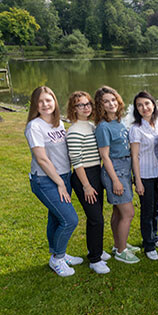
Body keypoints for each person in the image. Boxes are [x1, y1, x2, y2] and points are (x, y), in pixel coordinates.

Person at [25, 86, 82, 277]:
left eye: (48, 100)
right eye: (40, 101)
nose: (45, 104)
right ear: (35, 104)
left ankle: (60, 253)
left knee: (56, 217)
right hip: (46, 180)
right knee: (69, 220)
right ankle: (57, 259)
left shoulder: (58, 123)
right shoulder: (35, 126)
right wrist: (59, 183)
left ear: (54, 101)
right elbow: (42, 159)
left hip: (64, 176)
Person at [66, 91, 111, 274]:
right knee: (96, 219)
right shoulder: (74, 131)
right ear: (73, 109)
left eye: (88, 104)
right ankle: (95, 260)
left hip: (96, 172)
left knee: (97, 216)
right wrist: (86, 186)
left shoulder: (92, 126)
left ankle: (95, 249)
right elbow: (76, 162)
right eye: (80, 105)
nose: (85, 107)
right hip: (84, 176)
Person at [94, 85, 140, 264]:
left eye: (113, 99)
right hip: (115, 171)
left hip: (125, 167)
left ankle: (118, 244)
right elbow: (104, 156)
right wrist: (115, 181)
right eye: (106, 101)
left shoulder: (119, 122)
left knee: (118, 212)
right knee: (128, 213)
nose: (111, 103)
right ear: (100, 105)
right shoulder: (103, 127)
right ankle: (121, 251)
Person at [129, 91, 158, 261]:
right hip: (144, 174)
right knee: (147, 210)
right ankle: (148, 245)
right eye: (139, 105)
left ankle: (154, 237)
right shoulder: (136, 129)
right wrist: (138, 181)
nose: (144, 108)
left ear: (153, 104)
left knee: (155, 208)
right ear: (136, 109)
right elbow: (135, 156)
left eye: (147, 103)